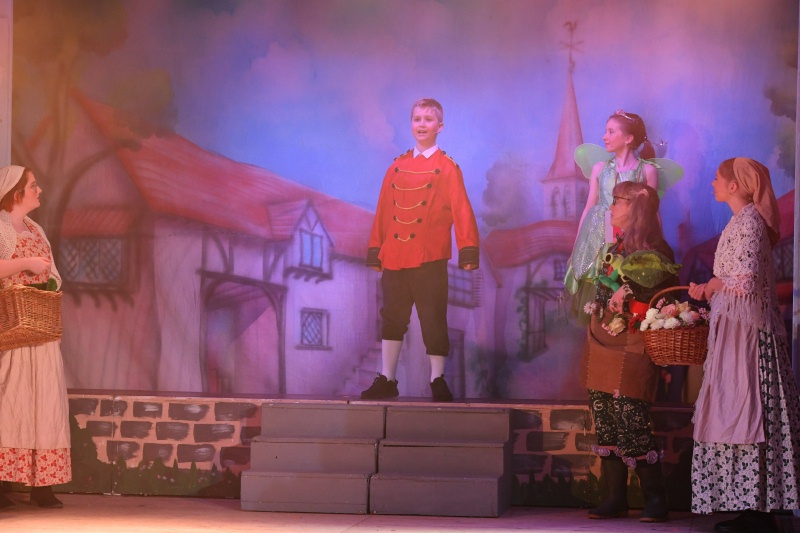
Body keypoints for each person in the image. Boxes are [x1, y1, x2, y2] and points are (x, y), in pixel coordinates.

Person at [688, 158, 800, 533]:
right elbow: (732, 277)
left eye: (718, 179)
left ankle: (759, 509)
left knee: (752, 410)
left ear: (735, 186)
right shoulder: (740, 222)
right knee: (736, 409)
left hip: (748, 336)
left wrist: (714, 285)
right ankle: (749, 505)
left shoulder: (750, 222)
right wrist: (709, 287)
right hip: (736, 331)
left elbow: (746, 281)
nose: (713, 183)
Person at [360, 98, 479, 402]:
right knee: (392, 318)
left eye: (428, 119)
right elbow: (383, 211)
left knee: (433, 319)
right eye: (417, 119)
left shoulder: (447, 167)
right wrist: (376, 248)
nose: (422, 124)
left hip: (429, 258)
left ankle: (437, 379)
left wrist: (468, 249)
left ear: (440, 126)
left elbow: (462, 210)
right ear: (411, 124)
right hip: (395, 256)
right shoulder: (396, 166)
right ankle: (387, 379)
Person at [581, 181, 679, 523]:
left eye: (617, 201)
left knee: (631, 419)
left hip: (633, 343)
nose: (611, 207)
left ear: (634, 206)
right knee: (604, 417)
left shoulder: (657, 249)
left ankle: (655, 499)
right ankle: (615, 498)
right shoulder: (614, 247)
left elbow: (662, 296)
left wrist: (628, 292)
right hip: (603, 341)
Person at [0, 165, 71, 509]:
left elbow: (52, 271)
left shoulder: (36, 228)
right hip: (11, 328)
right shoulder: (1, 227)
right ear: (16, 193)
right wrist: (26, 263)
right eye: (33, 185)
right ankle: (3, 482)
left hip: (39, 325)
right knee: (11, 400)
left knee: (45, 399)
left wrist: (50, 283)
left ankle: (42, 484)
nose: (38, 190)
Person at [564, 110, 659, 316]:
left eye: (610, 131)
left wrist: (656, 245)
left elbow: (652, 212)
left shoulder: (646, 171)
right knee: (599, 285)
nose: (604, 136)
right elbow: (589, 206)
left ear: (628, 138)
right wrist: (577, 245)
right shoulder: (600, 169)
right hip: (599, 233)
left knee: (624, 281)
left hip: (631, 234)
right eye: (605, 131)